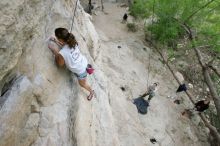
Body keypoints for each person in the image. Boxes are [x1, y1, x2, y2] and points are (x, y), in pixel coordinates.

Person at [48, 27, 94, 100]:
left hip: (81, 71)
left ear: (60, 39)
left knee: (82, 84)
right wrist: (56, 41)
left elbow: (60, 64)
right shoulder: (73, 42)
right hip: (83, 62)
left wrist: (54, 51)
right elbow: (65, 46)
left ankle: (91, 92)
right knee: (81, 77)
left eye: (56, 37)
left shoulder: (62, 53)